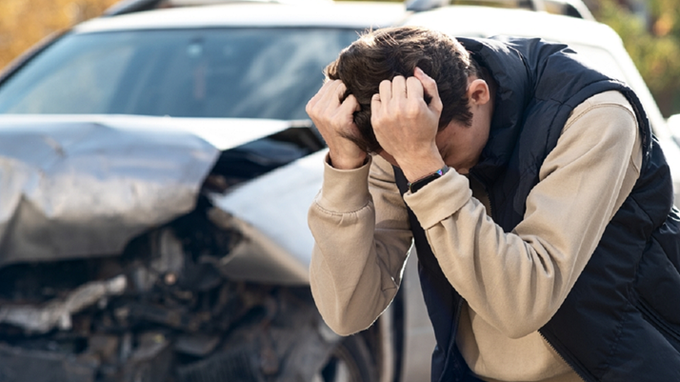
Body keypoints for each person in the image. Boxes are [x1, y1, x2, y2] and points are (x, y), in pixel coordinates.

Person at [305, 26, 680, 382]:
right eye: (402, 158)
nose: (417, 166)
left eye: (443, 150)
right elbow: (348, 312)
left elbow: (521, 305)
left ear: (479, 94)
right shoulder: (404, 136)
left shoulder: (594, 116)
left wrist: (426, 165)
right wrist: (345, 168)